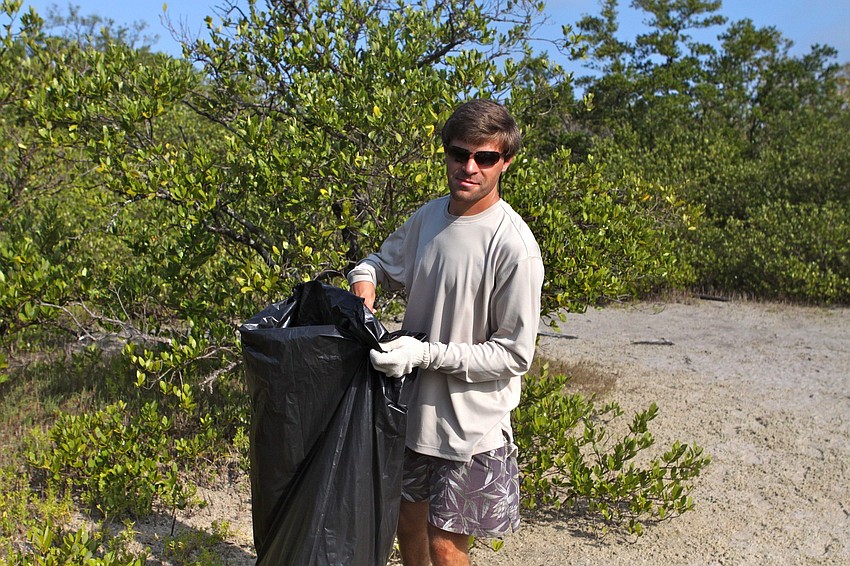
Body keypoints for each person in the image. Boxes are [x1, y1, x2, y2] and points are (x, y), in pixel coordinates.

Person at [348, 99, 544, 566]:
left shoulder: (514, 246)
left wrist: (423, 354)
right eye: (459, 154)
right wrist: (364, 286)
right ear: (446, 154)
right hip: (411, 414)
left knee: (445, 544)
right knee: (406, 523)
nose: (470, 167)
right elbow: (377, 264)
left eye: (486, 157)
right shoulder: (429, 217)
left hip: (469, 426)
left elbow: (514, 355)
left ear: (506, 162)